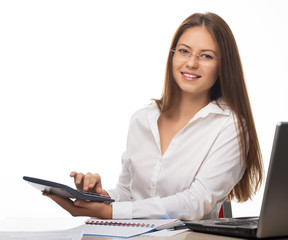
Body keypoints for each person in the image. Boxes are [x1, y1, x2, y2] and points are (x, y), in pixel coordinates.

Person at [44, 12, 263, 220]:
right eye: (184, 51)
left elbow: (197, 202)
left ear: (223, 66)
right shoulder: (142, 120)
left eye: (206, 56)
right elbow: (129, 193)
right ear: (172, 55)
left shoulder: (229, 126)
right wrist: (99, 197)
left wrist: (110, 212)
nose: (192, 63)